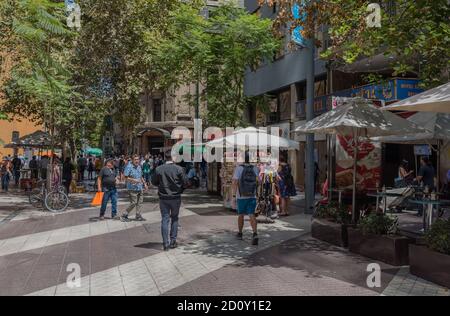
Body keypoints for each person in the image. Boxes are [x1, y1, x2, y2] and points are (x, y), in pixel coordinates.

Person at [152, 151, 188, 251]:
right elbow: (186, 182)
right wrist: (180, 190)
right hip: (175, 197)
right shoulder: (179, 169)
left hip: (163, 198)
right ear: (174, 158)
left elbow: (153, 182)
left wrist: (161, 186)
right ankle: (173, 241)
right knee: (175, 218)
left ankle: (165, 243)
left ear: (165, 157)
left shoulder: (159, 169)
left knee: (165, 219)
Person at [232, 151, 260, 246]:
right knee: (251, 214)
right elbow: (258, 182)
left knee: (241, 214)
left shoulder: (239, 168)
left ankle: (240, 233)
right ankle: (255, 233)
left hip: (241, 195)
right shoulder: (255, 168)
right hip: (252, 195)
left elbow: (235, 182)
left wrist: (233, 196)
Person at [121, 155, 148, 222]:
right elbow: (125, 177)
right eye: (135, 159)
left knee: (139, 202)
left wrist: (145, 184)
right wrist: (134, 180)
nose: (137, 161)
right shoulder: (129, 167)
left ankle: (138, 215)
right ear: (132, 160)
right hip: (132, 188)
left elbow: (141, 176)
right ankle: (124, 215)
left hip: (139, 187)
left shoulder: (139, 166)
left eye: (138, 159)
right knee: (133, 203)